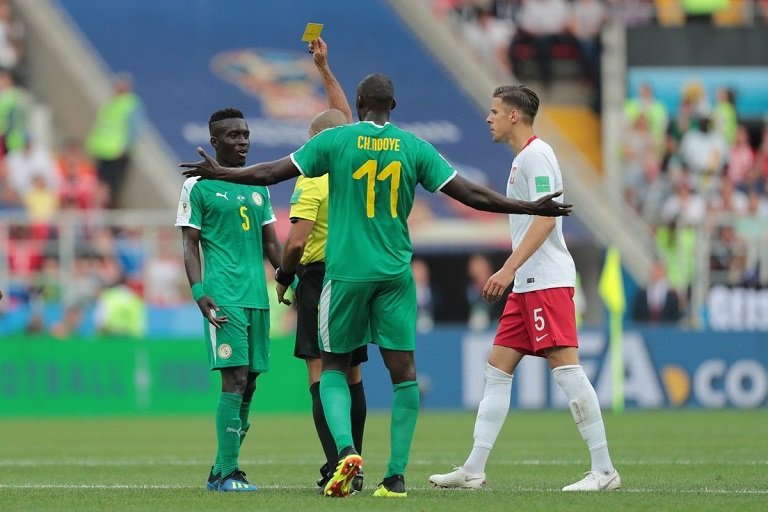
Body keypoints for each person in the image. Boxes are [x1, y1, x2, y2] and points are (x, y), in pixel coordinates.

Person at [180, 74, 571, 499]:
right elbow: (472, 195)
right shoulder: (414, 146)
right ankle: (396, 476)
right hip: (396, 274)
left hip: (346, 274)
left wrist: (221, 174)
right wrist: (527, 206)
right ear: (394, 105)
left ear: (360, 102)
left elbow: (271, 173)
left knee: (331, 366)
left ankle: (345, 452)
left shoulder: (336, 141)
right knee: (403, 374)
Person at [429, 84, 620, 492]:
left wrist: (506, 270)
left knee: (567, 371)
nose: (488, 118)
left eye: (495, 111)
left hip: (545, 280)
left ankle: (604, 470)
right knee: (496, 371)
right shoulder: (523, 159)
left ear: (514, 115)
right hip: (528, 283)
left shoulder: (537, 156)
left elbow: (546, 219)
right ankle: (474, 468)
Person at [273, 37, 368, 493]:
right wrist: (325, 69)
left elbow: (297, 239)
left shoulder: (314, 174)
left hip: (318, 276)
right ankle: (356, 459)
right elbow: (341, 118)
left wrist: (284, 275)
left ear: (315, 141)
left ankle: (337, 462)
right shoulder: (353, 163)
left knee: (319, 371)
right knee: (352, 372)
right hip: (355, 272)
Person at [176, 107, 283, 492]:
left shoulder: (259, 185)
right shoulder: (198, 186)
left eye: (246, 134)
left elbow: (271, 242)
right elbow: (189, 244)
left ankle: (221, 468)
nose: (242, 142)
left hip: (258, 297)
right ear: (215, 142)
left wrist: (293, 278)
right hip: (224, 296)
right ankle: (228, 472)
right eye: (233, 136)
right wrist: (199, 291)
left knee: (250, 384)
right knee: (234, 380)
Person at [86, 72, 145, 208]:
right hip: (104, 150)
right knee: (101, 186)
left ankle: (110, 212)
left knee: (113, 187)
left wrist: (127, 147)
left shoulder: (130, 103)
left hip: (117, 152)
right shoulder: (112, 103)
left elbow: (135, 128)